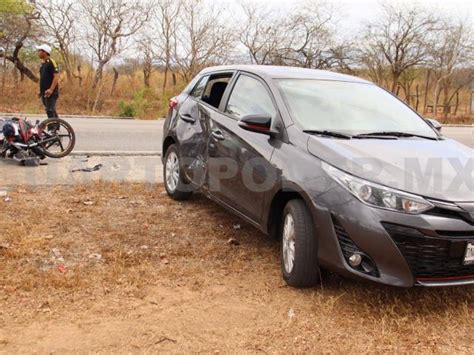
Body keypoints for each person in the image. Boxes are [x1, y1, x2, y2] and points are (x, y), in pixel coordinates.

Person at [35, 44, 60, 120]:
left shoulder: (51, 62)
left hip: (51, 92)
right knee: (49, 110)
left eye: (39, 51)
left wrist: (51, 89)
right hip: (44, 92)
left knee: (50, 110)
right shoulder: (43, 64)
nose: (38, 52)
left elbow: (56, 76)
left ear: (45, 52)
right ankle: (55, 126)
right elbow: (43, 78)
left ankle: (52, 128)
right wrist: (41, 91)